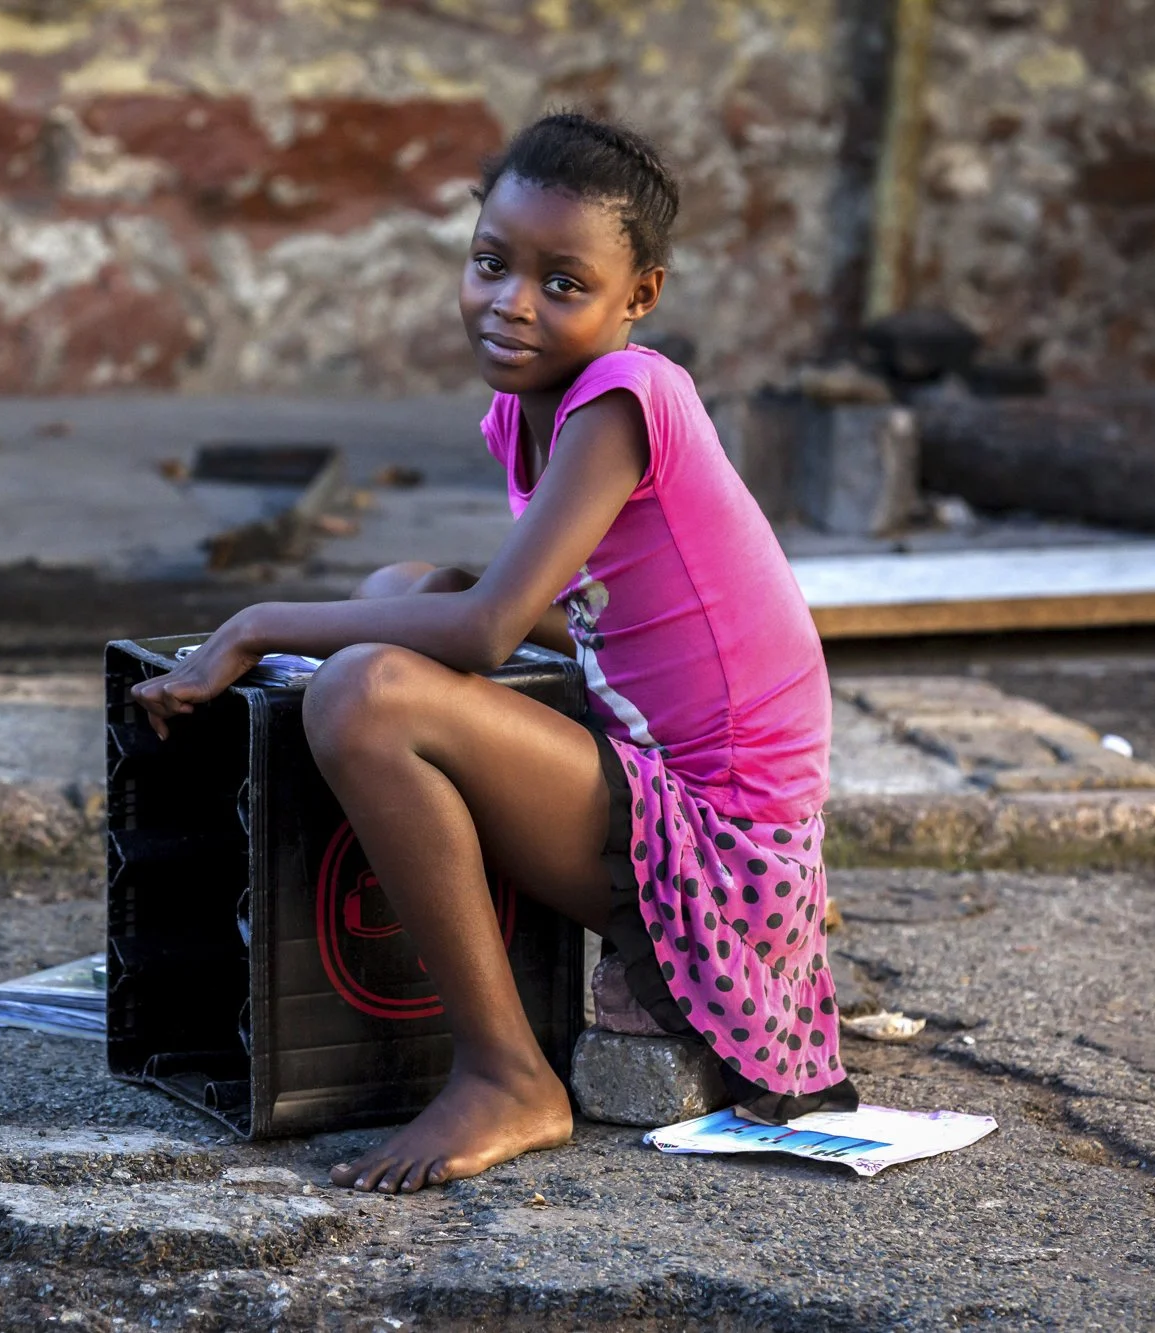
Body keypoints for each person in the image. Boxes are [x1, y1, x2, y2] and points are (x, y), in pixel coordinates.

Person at [130, 111, 854, 1194]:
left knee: (363, 691)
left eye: (562, 284)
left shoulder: (622, 398)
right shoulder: (530, 408)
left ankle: (506, 1073)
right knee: (399, 592)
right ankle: (387, 990)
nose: (511, 303)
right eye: (489, 263)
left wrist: (252, 624)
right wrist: (449, 595)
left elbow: (482, 639)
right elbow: (598, 620)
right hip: (654, 776)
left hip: (722, 849)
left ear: (636, 299)